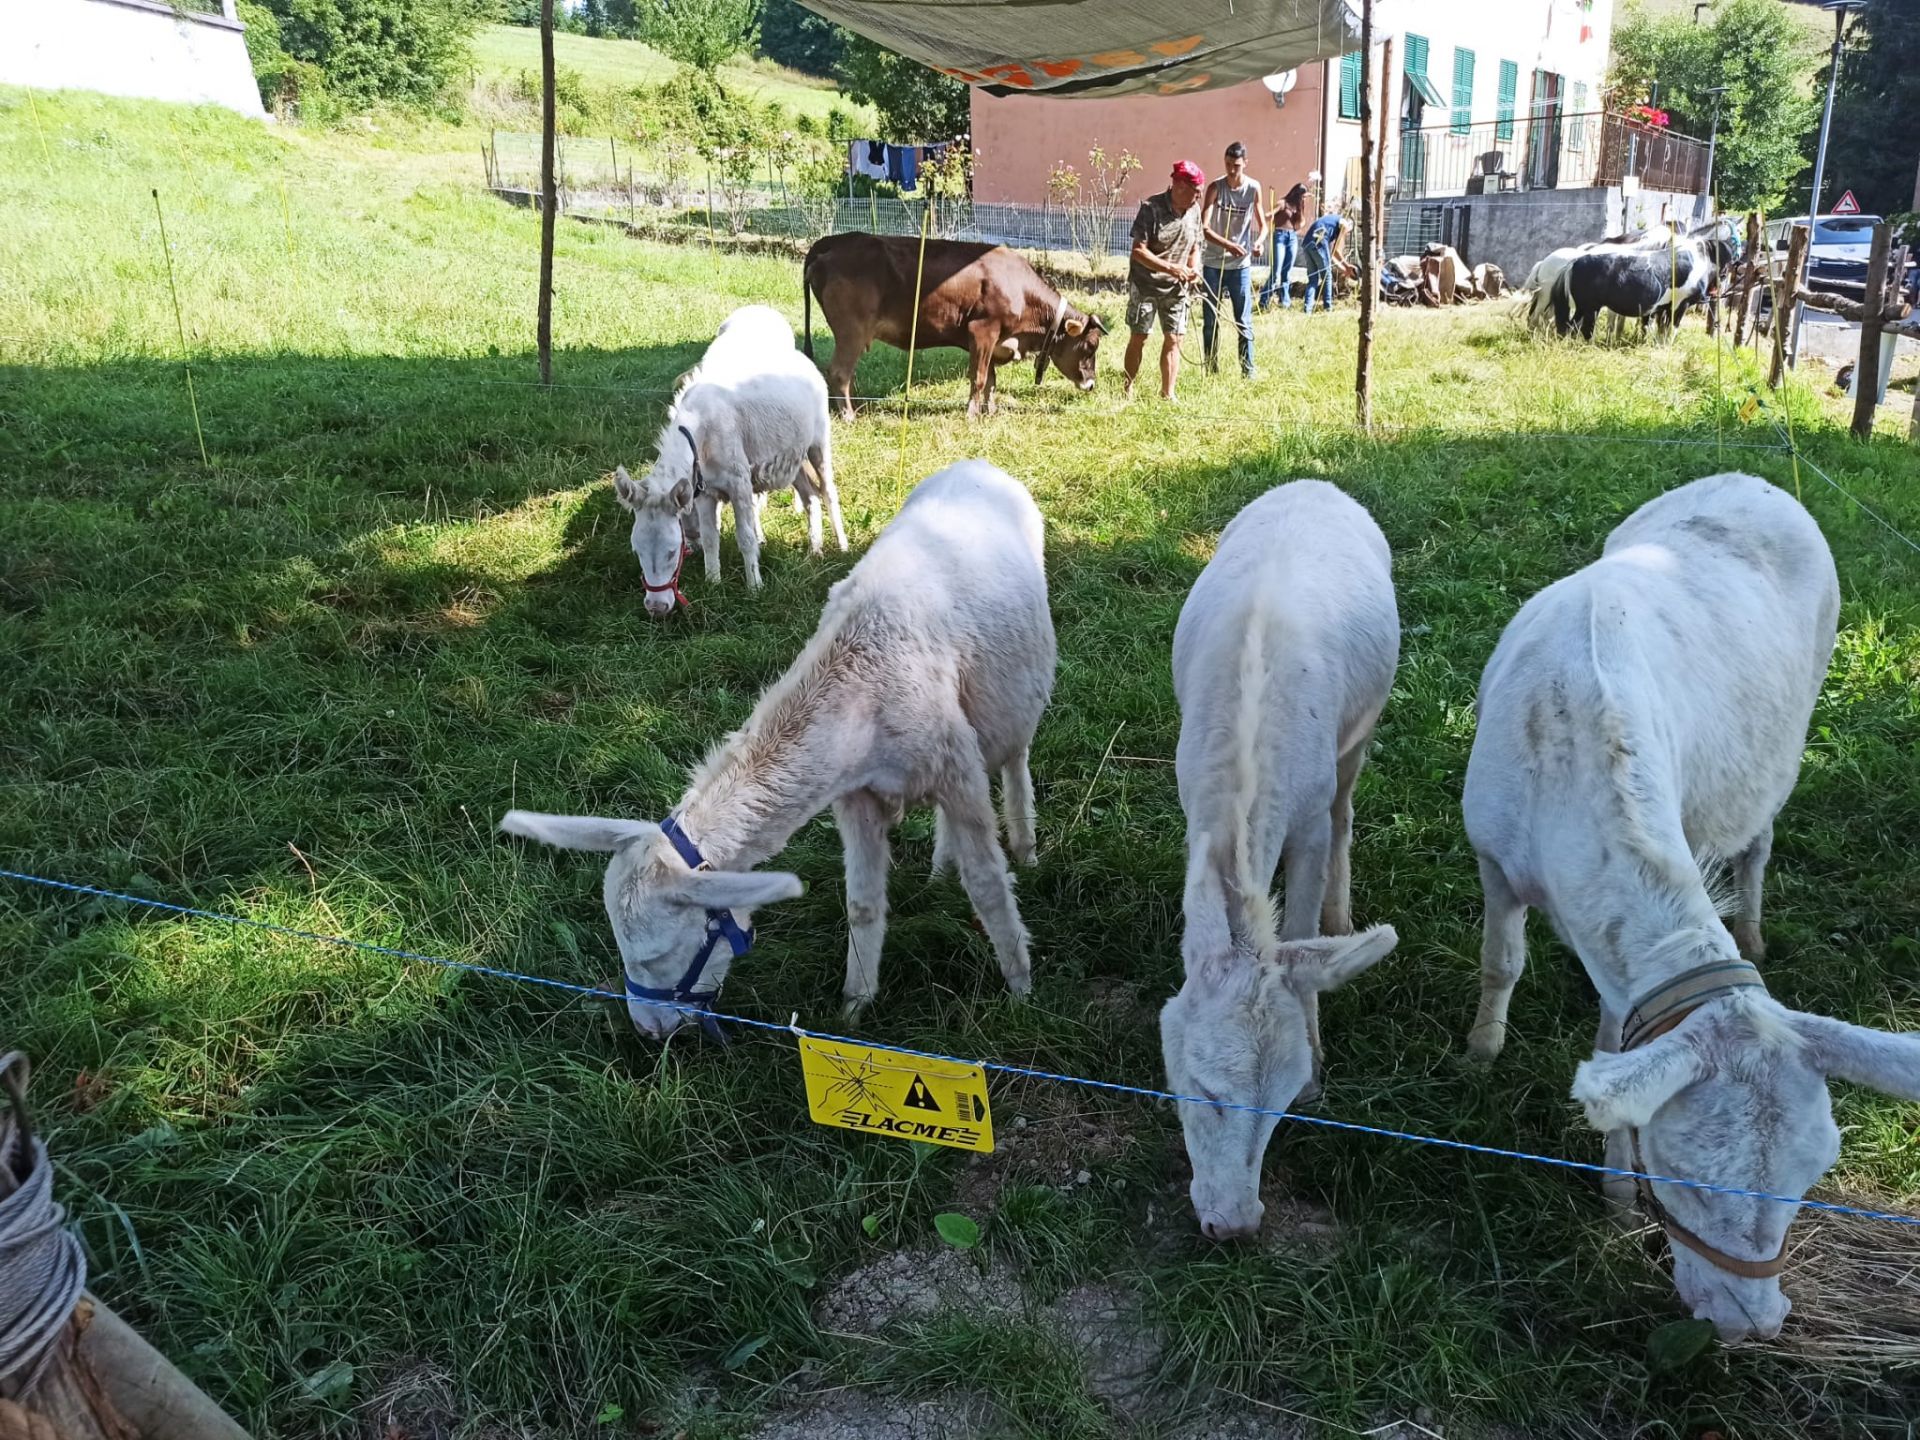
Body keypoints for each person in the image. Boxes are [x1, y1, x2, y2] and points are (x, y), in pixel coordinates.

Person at [1123, 160, 1245, 402]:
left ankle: (1168, 395)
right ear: (1178, 185)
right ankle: (1126, 389)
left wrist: (1193, 267)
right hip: (1146, 284)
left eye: (1200, 192)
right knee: (1140, 337)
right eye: (1195, 191)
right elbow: (1138, 250)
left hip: (1177, 288)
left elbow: (1195, 245)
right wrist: (1171, 267)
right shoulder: (1151, 208)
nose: (1199, 197)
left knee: (1174, 338)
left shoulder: (1194, 211)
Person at [1200, 142, 1266, 379]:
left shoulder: (1254, 188)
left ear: (1245, 163)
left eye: (1236, 166)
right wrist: (1228, 245)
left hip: (1240, 267)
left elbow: (1264, 226)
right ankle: (1210, 368)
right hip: (1213, 264)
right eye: (1227, 165)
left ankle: (1248, 372)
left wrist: (1258, 243)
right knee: (1210, 320)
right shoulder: (1215, 188)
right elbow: (1205, 227)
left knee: (1243, 321)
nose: (1231, 170)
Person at [1258, 181, 1310, 312]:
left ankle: (1285, 302)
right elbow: (1269, 214)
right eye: (1302, 197)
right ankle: (1263, 301)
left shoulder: (1298, 207)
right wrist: (1269, 216)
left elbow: (1300, 224)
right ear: (1297, 194)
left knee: (1286, 272)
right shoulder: (1283, 203)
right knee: (1276, 272)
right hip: (1280, 236)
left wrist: (1302, 212)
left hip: (1292, 237)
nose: (1303, 199)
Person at [1301, 210, 1353, 314]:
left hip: (1307, 243)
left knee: (1313, 279)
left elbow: (1333, 256)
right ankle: (1328, 308)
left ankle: (1308, 310)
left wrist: (1344, 269)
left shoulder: (1333, 222)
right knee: (1327, 277)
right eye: (1348, 233)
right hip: (1318, 242)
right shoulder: (1344, 224)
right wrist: (1347, 266)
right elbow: (1337, 251)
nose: (1346, 235)